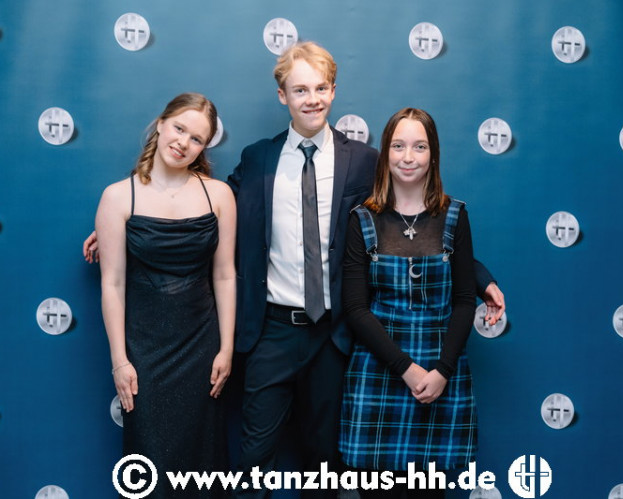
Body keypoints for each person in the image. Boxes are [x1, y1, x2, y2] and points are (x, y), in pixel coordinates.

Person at [83, 42, 505, 497]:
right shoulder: (258, 160)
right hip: (271, 331)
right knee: (254, 463)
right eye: (300, 90)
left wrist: (478, 277)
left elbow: (411, 223)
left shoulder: (364, 161)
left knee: (324, 466)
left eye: (320, 88)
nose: (312, 99)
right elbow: (204, 209)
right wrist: (127, 227)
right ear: (282, 95)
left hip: (335, 335)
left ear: (333, 91)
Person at [95, 92, 236, 498]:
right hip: (144, 351)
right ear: (161, 124)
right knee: (149, 466)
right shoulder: (118, 197)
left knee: (203, 465)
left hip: (201, 348)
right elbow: (112, 283)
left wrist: (226, 348)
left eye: (197, 138)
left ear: (204, 147)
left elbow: (225, 275)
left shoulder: (218, 195)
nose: (183, 143)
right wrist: (120, 360)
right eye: (179, 128)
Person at [339, 108, 478, 498]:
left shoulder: (455, 216)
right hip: (380, 371)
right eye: (398, 146)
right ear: (385, 153)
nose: (408, 157)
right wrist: (407, 369)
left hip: (438, 372)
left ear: (433, 154)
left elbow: (464, 301)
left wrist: (442, 371)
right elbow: (356, 308)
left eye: (419, 147)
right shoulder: (362, 219)